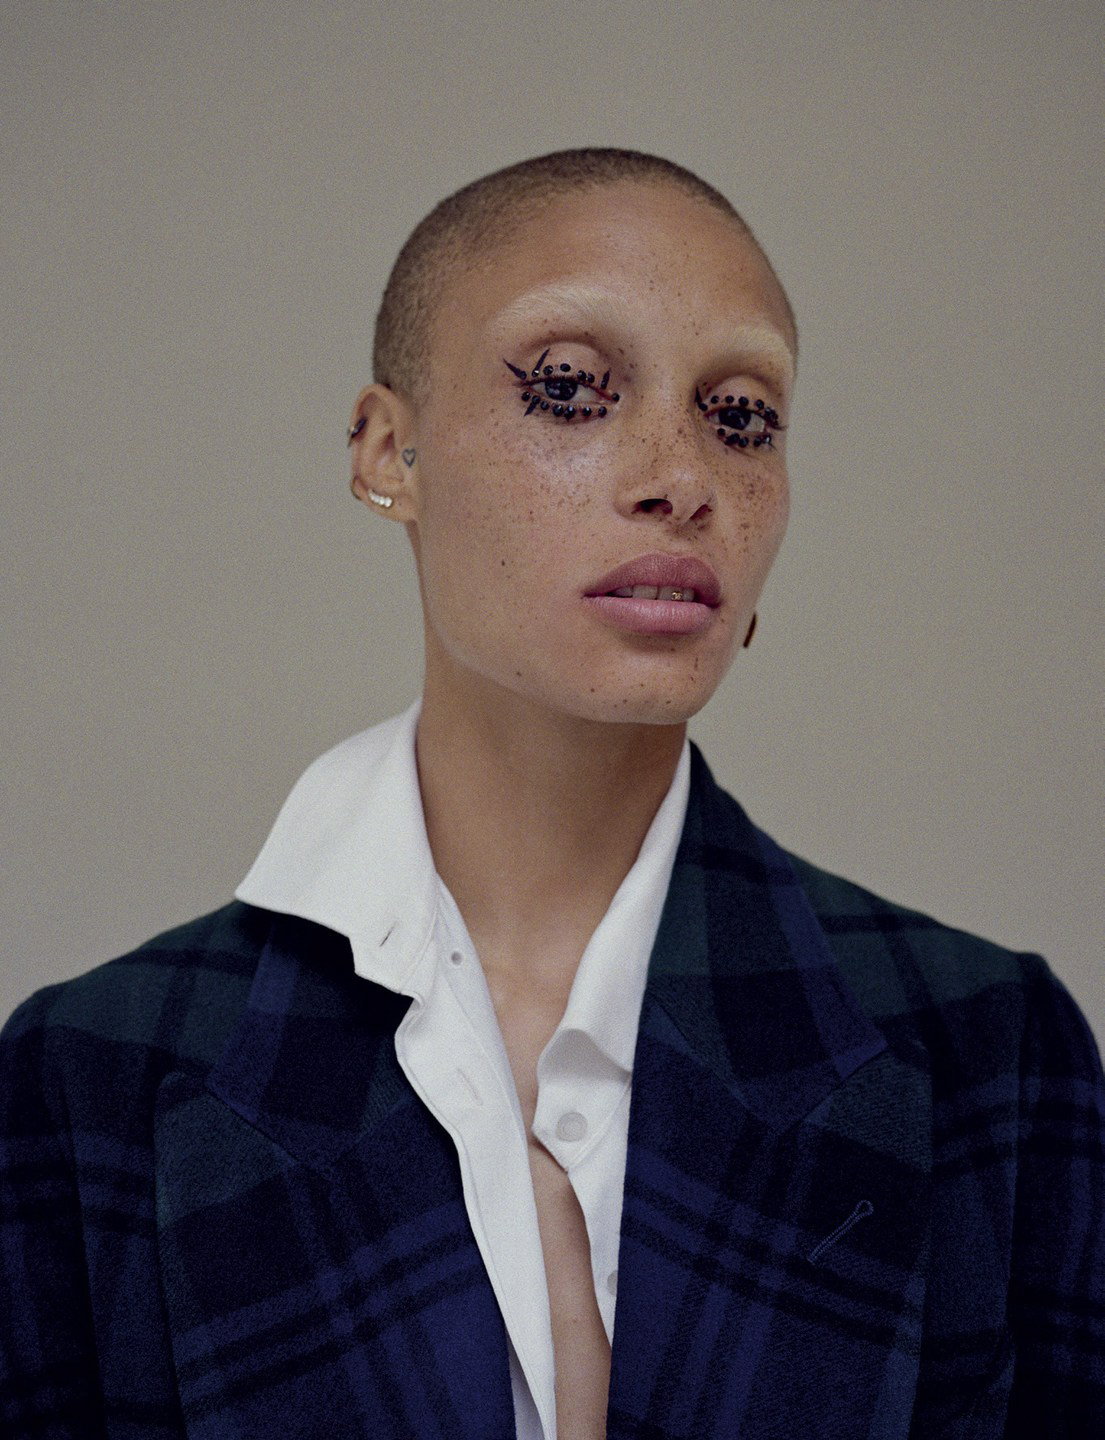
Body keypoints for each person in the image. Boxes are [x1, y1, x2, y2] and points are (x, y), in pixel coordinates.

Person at [1, 148, 1102, 1440]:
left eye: (741, 416)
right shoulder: (87, 1080)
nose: (681, 476)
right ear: (388, 452)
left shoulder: (992, 1052)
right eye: (570, 389)